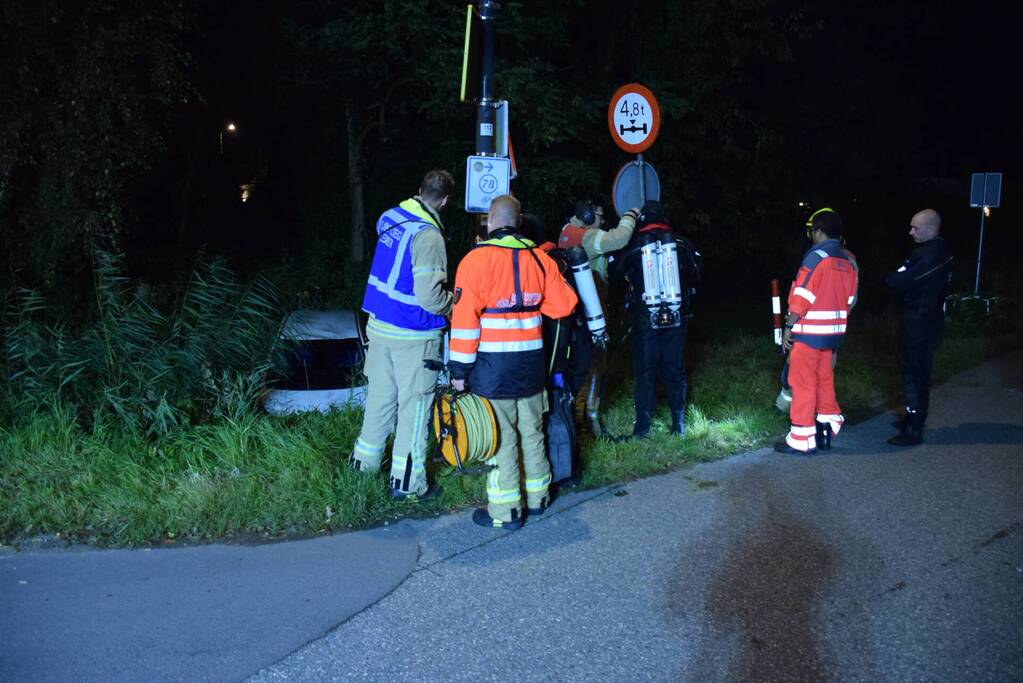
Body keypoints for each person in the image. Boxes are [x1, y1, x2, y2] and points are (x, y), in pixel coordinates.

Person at [449, 195, 579, 530]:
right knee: (532, 432)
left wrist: (459, 372)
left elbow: (464, 323)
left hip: (494, 371)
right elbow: (564, 305)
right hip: (532, 366)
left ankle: (506, 512)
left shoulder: (474, 261)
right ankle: (538, 499)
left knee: (501, 438)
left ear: (490, 221)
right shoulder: (540, 258)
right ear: (518, 222)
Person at [348, 169, 455, 499]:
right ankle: (407, 484)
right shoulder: (429, 236)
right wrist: (453, 303)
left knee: (379, 400)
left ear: (419, 189)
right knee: (414, 408)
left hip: (379, 328)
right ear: (446, 200)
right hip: (414, 336)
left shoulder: (392, 218)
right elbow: (429, 297)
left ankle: (362, 468)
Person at [610, 200, 701, 438]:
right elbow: (696, 273)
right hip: (676, 315)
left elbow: (616, 277)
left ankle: (642, 428)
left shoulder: (634, 246)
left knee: (645, 372)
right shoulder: (681, 243)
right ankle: (678, 425)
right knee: (675, 370)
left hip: (644, 319)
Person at [775, 208, 858, 455]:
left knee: (801, 382)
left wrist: (789, 326)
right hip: (831, 335)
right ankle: (828, 422)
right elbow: (851, 300)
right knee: (824, 379)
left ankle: (801, 437)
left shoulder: (816, 257)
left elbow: (801, 296)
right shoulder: (847, 261)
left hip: (809, 333)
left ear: (819, 231)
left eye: (813, 231)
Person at [558, 200, 640, 435]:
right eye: (599, 216)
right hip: (591, 311)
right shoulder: (588, 237)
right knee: (595, 364)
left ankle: (575, 415)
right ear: (586, 216)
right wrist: (631, 215)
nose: (603, 221)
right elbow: (620, 238)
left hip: (571, 311)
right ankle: (586, 417)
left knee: (578, 363)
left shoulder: (566, 232)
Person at [885, 208, 953, 446]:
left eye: (916, 228)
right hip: (925, 319)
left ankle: (914, 429)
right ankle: (912, 418)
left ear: (931, 229)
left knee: (915, 374)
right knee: (915, 372)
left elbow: (897, 281)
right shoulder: (939, 250)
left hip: (918, 321)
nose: (911, 232)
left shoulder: (927, 255)